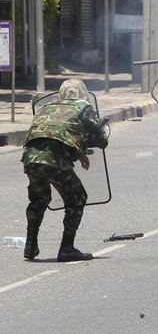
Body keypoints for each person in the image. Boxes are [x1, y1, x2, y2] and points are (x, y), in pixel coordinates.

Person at [21, 80, 109, 262]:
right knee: (77, 198)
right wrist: (95, 135)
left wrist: (78, 152)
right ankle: (67, 248)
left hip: (30, 159)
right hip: (54, 160)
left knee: (39, 200)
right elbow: (102, 141)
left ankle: (30, 245)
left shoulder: (47, 107)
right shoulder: (84, 108)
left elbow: (54, 136)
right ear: (83, 93)